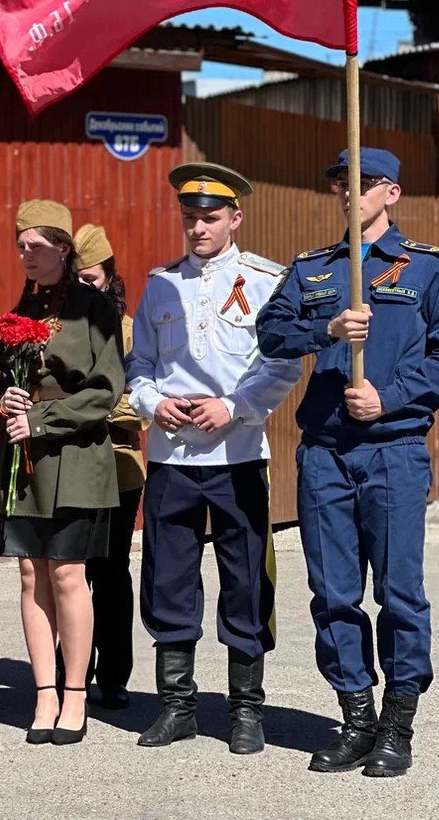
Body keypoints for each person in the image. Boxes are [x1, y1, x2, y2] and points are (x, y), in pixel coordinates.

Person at [256, 148, 439, 777]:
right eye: (339, 185)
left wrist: (391, 397)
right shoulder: (315, 270)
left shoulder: (428, 268)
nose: (348, 194)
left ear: (393, 193)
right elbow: (270, 333)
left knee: (400, 592)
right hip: (325, 454)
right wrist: (326, 331)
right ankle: (356, 717)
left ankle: (397, 726)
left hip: (394, 451)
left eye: (362, 184)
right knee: (333, 594)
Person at [127, 163, 300, 755]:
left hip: (238, 452)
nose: (197, 227)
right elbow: (140, 368)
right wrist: (154, 403)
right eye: (189, 217)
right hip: (173, 457)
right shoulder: (159, 285)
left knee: (246, 579)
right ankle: (177, 707)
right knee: (168, 579)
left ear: (235, 218)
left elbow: (282, 364)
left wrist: (235, 406)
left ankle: (246, 710)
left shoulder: (266, 281)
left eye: (209, 217)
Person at [0, 200, 123, 747]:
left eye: (36, 246)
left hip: (75, 455)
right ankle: (43, 692)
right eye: (20, 246)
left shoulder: (95, 309)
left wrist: (40, 417)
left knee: (67, 573)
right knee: (29, 574)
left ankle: (76, 694)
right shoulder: (18, 309)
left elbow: (106, 390)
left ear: (63, 249)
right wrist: (2, 405)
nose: (26, 254)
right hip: (22, 459)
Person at [67, 223, 148, 710]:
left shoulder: (131, 331)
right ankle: (65, 669)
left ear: (111, 279)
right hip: (63, 465)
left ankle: (114, 674)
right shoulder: (52, 326)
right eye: (76, 280)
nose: (84, 289)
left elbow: (138, 406)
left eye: (92, 280)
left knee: (112, 572)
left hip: (117, 466)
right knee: (66, 570)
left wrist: (79, 407)